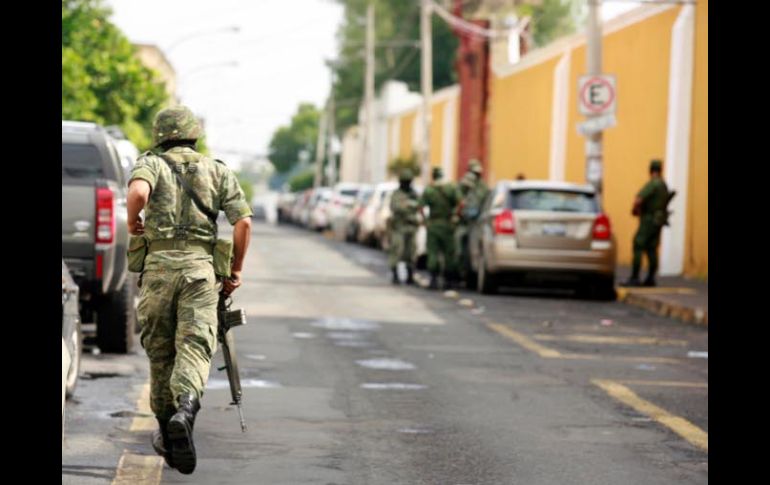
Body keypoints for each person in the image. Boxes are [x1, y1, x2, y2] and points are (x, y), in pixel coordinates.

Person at [126, 105, 253, 474]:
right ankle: (186, 409)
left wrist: (134, 218)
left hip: (158, 273)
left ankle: (167, 429)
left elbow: (137, 192)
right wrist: (236, 270)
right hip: (199, 274)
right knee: (196, 346)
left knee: (161, 355)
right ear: (193, 134)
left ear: (160, 136)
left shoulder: (150, 163)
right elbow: (242, 223)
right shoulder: (217, 170)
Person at [622, 159, 669, 287]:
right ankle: (650, 278)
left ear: (651, 170)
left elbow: (639, 199)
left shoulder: (653, 184)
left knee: (638, 244)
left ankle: (635, 277)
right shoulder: (664, 185)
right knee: (651, 248)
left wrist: (635, 210)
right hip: (658, 220)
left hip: (648, 220)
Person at [419, 166, 460, 289]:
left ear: (433, 175)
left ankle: (433, 279)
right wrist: (455, 216)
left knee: (433, 253)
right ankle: (448, 280)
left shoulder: (430, 190)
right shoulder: (450, 188)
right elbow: (461, 203)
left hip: (434, 225)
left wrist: (425, 221)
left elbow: (420, 206)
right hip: (448, 225)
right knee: (449, 253)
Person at [387, 168, 420, 285]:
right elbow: (396, 207)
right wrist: (408, 206)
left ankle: (410, 276)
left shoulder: (414, 193)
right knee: (397, 250)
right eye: (405, 181)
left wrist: (409, 206)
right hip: (399, 227)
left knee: (411, 252)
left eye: (408, 181)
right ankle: (395, 274)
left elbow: (419, 206)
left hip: (411, 227)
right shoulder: (396, 194)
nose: (407, 184)